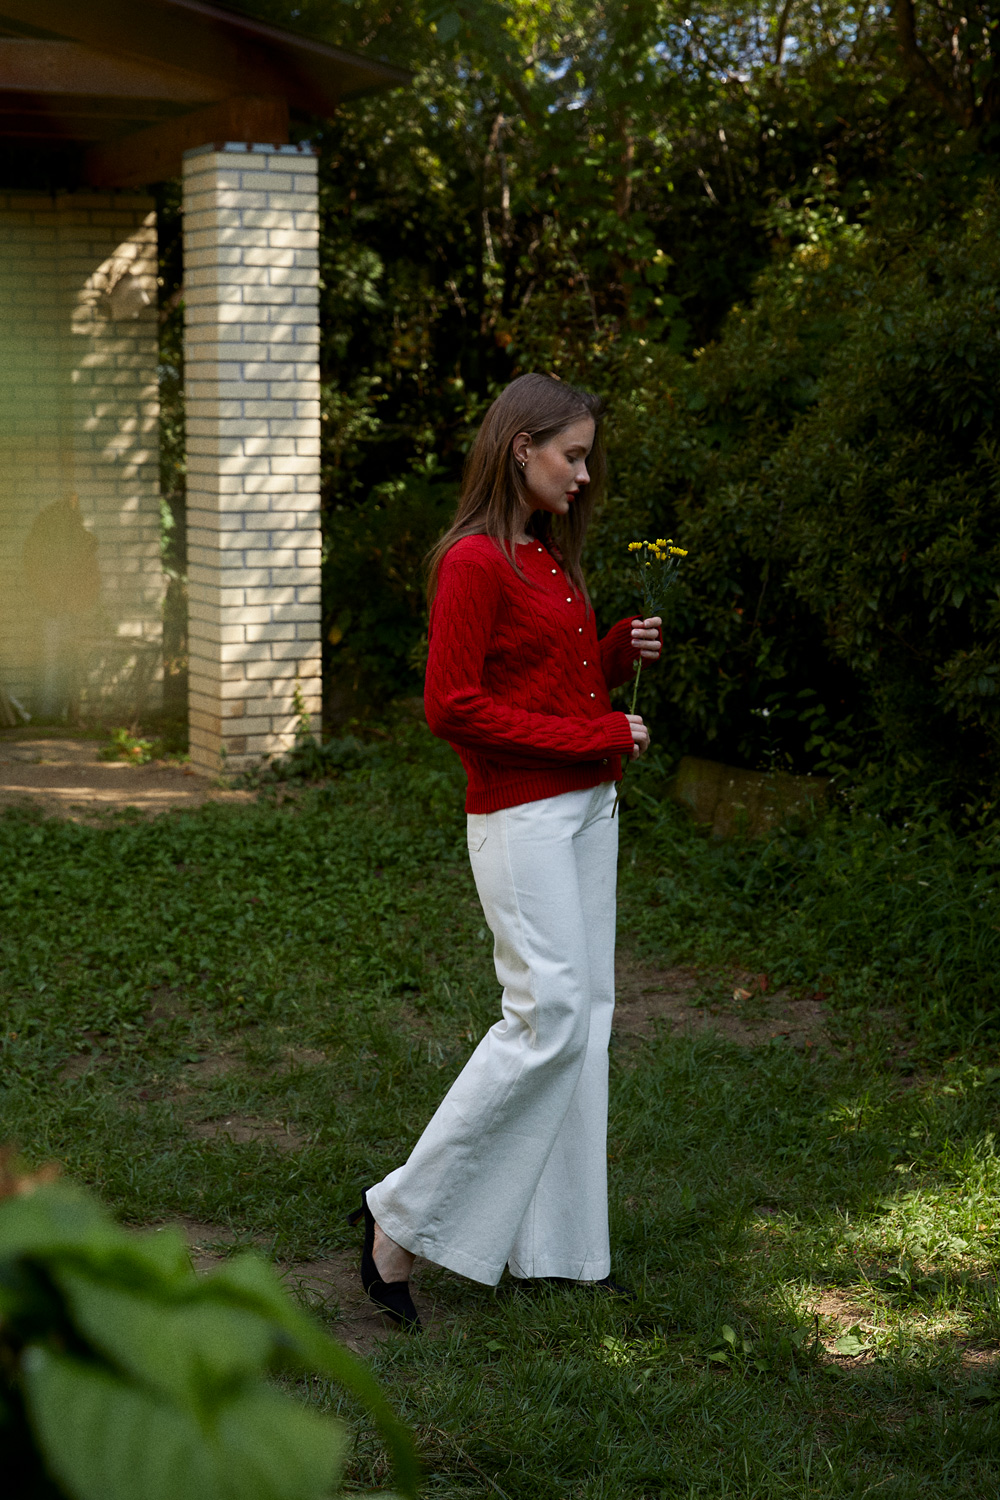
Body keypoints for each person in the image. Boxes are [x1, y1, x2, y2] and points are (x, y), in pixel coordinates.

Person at [351, 372, 662, 1328]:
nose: (583, 474)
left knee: (586, 1022)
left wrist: (610, 653)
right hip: (523, 818)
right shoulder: (473, 562)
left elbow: (536, 681)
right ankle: (399, 1221)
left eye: (587, 457)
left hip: (587, 812)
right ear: (521, 446)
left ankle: (563, 1247)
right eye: (572, 455)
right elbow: (453, 707)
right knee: (548, 1018)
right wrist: (596, 733)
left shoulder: (545, 555)